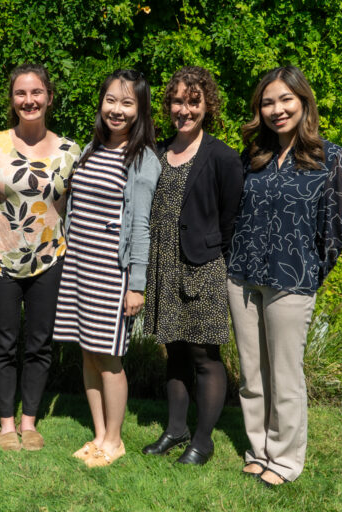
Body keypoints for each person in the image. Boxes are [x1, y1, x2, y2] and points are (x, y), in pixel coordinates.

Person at [227, 66, 342, 485]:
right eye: (268, 102)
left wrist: (313, 269)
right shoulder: (253, 157)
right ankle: (257, 449)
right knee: (251, 374)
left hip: (292, 279)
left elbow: (336, 226)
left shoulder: (329, 158)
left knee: (284, 374)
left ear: (303, 102)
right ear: (259, 109)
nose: (277, 110)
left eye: (285, 100)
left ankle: (283, 460)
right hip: (243, 275)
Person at [53, 69, 161, 468]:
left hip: (112, 273)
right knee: (88, 352)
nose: (116, 109)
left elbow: (140, 226)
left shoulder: (142, 159)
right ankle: (98, 435)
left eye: (127, 102)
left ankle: (114, 441)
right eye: (111, 100)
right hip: (80, 266)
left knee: (110, 358)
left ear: (139, 110)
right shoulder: (90, 148)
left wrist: (136, 284)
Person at [0, 64, 81, 451]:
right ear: (12, 99)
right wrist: (4, 204)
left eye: (36, 93)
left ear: (49, 98)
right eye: (21, 93)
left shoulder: (71, 150)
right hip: (0, 256)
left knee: (39, 342)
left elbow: (71, 204)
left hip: (50, 257)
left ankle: (29, 422)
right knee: (2, 341)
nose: (28, 100)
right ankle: (6, 425)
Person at [142, 67, 243, 465]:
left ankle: (203, 440)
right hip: (163, 266)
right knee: (176, 352)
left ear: (208, 105)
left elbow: (231, 219)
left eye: (193, 101)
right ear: (168, 105)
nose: (185, 109)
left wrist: (218, 263)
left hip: (202, 268)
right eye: (178, 101)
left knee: (204, 356)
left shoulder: (222, 156)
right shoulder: (156, 152)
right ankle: (175, 428)